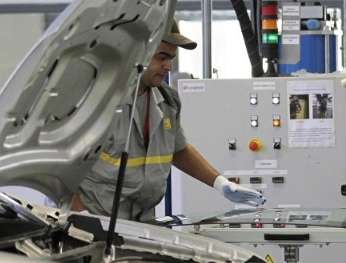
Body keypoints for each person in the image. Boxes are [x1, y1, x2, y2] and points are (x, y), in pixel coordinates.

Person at [72, 22, 264, 221]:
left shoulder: (169, 101)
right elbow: (57, 169)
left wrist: (221, 183)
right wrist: (78, 217)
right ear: (135, 53)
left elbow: (177, 149)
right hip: (95, 221)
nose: (169, 66)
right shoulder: (95, 101)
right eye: (162, 57)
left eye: (171, 58)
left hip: (142, 222)